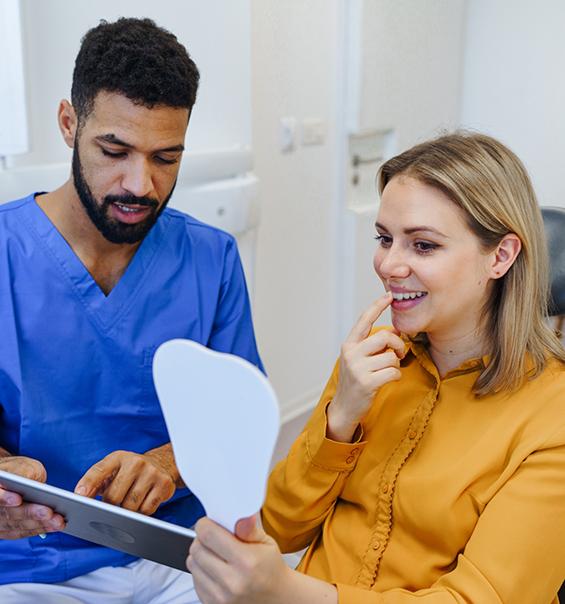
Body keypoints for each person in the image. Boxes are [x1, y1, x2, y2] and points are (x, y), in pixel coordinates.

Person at [186, 132, 565, 604]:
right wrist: (339, 419)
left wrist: (285, 591)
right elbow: (279, 528)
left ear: (501, 256)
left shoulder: (553, 418)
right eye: (385, 239)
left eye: (423, 246)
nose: (389, 264)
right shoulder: (372, 363)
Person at [0, 17, 262, 603]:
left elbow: (240, 419)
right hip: (32, 565)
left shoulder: (210, 258)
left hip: (181, 551)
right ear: (69, 123)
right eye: (114, 151)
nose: (140, 184)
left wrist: (170, 464)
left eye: (166, 157)